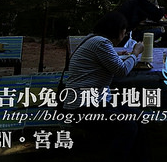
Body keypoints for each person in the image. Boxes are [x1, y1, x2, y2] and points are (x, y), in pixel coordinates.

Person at [63, 11, 147, 161]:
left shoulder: (93, 39)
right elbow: (121, 70)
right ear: (118, 30)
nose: (125, 33)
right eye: (124, 30)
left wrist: (123, 56)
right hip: (83, 106)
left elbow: (109, 61)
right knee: (128, 126)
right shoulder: (101, 43)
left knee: (138, 116)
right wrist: (135, 53)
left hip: (94, 101)